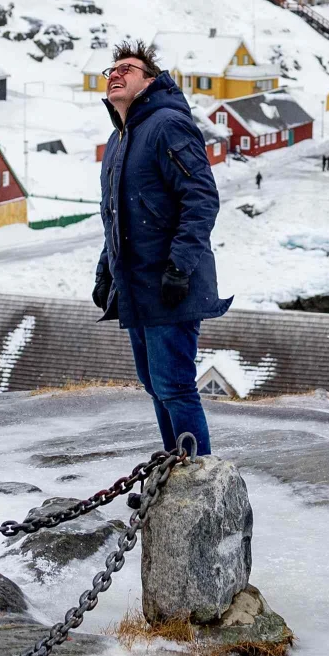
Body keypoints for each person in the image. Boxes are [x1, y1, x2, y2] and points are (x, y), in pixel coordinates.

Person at [94, 41, 229, 454]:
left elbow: (201, 198)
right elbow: (118, 216)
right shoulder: (120, 139)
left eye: (128, 69)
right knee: (156, 385)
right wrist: (106, 272)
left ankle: (199, 476)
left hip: (171, 284)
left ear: (150, 81)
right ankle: (176, 469)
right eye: (112, 70)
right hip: (137, 287)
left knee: (174, 386)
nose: (116, 75)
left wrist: (179, 268)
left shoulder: (168, 124)